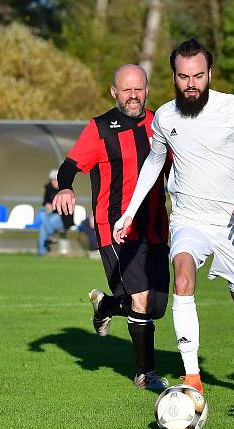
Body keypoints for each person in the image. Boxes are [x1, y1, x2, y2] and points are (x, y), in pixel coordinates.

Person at [113, 39, 234, 394]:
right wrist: (129, 212)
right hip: (189, 218)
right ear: (173, 76)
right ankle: (192, 379)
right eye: (183, 76)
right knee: (183, 279)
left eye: (198, 76)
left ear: (209, 74)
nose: (191, 84)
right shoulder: (165, 117)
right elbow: (155, 161)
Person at [52, 64, 169, 390]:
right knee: (141, 299)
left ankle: (105, 304)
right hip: (115, 225)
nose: (133, 95)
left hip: (156, 226)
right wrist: (65, 187)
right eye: (126, 89)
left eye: (139, 88)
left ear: (147, 89)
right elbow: (70, 165)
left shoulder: (163, 124)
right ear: (114, 92)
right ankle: (146, 373)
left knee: (156, 307)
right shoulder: (101, 128)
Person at [37, 169, 74, 256]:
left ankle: (41, 252)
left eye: (56, 179)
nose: (54, 182)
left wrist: (53, 206)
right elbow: (45, 201)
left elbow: (66, 207)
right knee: (42, 216)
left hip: (64, 217)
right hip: (51, 215)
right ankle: (44, 248)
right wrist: (47, 204)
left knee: (43, 225)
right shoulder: (48, 189)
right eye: (52, 180)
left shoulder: (66, 190)